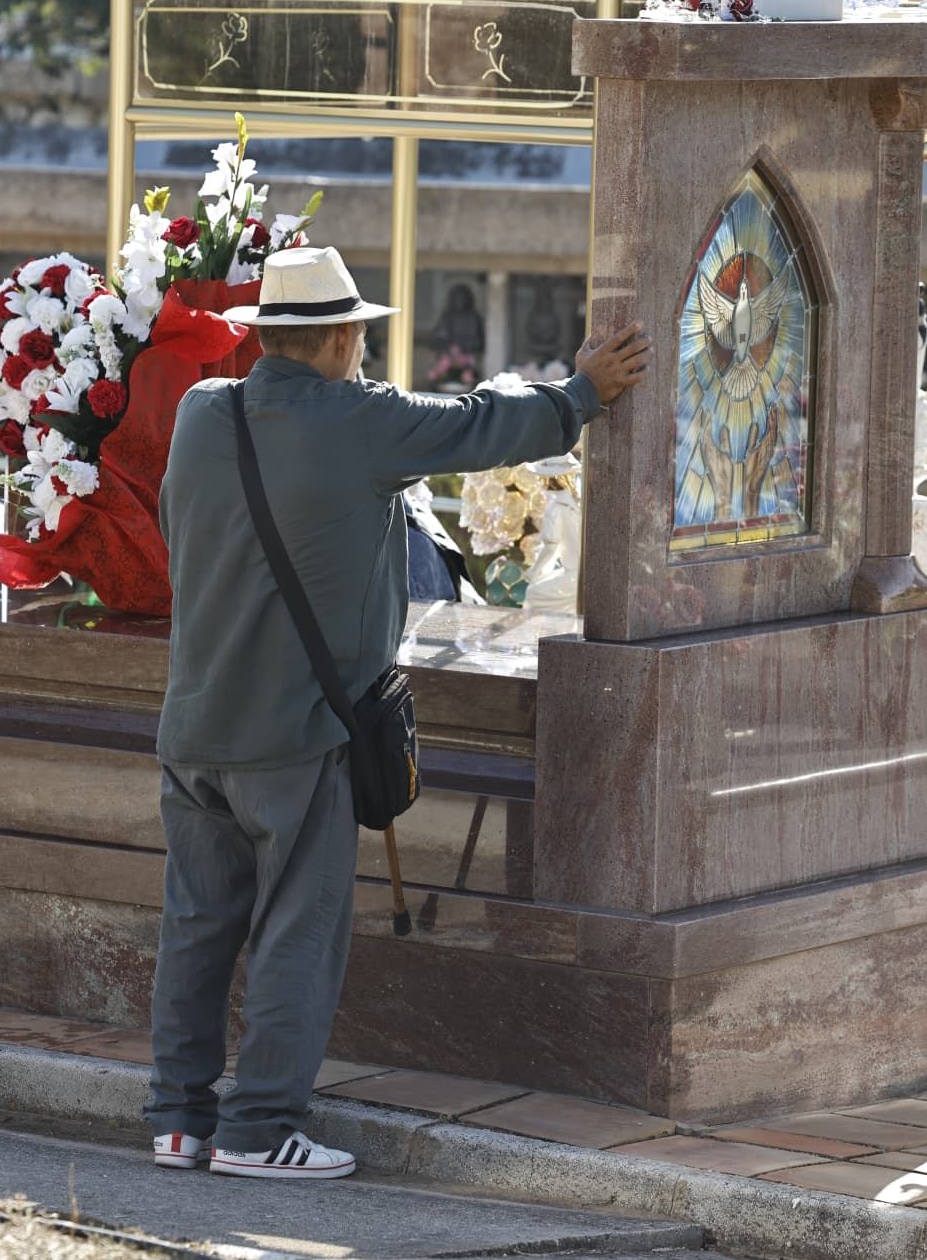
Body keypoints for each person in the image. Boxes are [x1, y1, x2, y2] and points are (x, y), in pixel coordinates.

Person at [145, 245, 649, 1179]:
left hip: (193, 727)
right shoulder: (360, 420)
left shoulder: (202, 415)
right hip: (294, 739)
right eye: (362, 338)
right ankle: (260, 1131)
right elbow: (476, 426)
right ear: (340, 339)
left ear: (266, 338)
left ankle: (179, 1123)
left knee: (198, 923)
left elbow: (182, 532)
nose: (365, 354)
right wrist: (581, 393)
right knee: (299, 928)